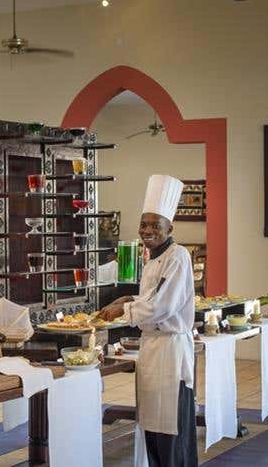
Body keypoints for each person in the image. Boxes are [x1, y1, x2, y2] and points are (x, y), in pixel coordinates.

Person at [99, 174, 197, 467]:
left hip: (170, 351)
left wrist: (124, 311)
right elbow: (152, 297)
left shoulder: (178, 256)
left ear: (170, 228)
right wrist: (126, 299)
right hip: (152, 349)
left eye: (156, 225)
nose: (148, 230)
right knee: (152, 429)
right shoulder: (152, 258)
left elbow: (164, 305)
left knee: (171, 432)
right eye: (144, 224)